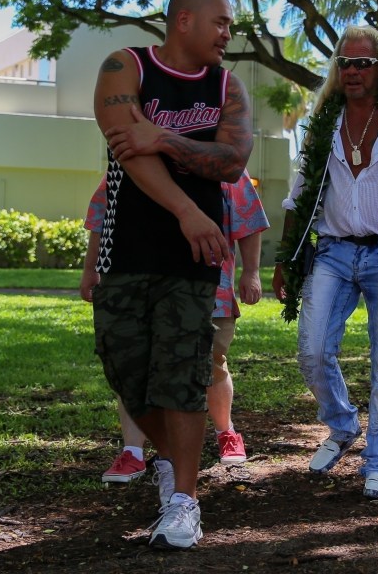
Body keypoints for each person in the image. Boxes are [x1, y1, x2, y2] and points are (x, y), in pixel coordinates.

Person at [90, 0, 253, 550]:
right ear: (184, 20)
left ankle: (184, 501)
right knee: (123, 365)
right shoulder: (124, 66)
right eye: (222, 23)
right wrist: (187, 205)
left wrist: (161, 135)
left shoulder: (228, 86)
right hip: (127, 249)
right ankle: (169, 462)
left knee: (182, 375)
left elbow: (233, 161)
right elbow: (126, 149)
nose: (228, 35)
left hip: (194, 257)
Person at [271, 25, 378, 500]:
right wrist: (286, 258)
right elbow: (300, 190)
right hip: (332, 250)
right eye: (344, 63)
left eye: (362, 63)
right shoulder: (325, 120)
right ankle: (343, 423)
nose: (351, 71)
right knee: (311, 349)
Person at [82, 170, 269, 482]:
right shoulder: (132, 159)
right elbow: (103, 216)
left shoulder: (218, 157)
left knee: (211, 364)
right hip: (138, 281)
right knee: (135, 367)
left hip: (210, 286)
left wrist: (251, 271)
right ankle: (133, 451)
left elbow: (248, 221)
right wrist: (91, 268)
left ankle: (225, 430)